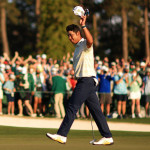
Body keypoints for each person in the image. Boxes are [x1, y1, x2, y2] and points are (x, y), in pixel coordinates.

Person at [46, 15, 113, 145]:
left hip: (86, 80)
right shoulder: (77, 47)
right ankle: (107, 136)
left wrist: (83, 26)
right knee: (95, 111)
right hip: (85, 80)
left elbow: (91, 40)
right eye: (68, 36)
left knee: (72, 106)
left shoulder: (84, 43)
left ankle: (62, 135)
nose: (70, 38)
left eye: (71, 35)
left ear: (78, 33)